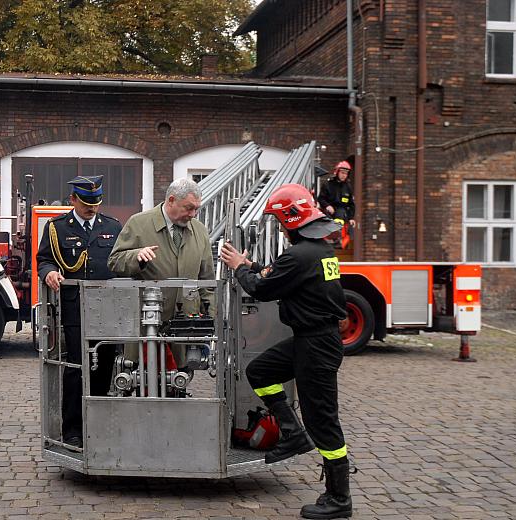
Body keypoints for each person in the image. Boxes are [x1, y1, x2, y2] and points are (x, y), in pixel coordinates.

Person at [220, 183, 352, 519]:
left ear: (292, 220)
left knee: (323, 422)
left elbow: (262, 289)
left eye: (280, 223)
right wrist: (253, 265)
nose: (280, 230)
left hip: (316, 345)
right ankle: (292, 433)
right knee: (260, 371)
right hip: (313, 340)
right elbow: (280, 275)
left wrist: (239, 267)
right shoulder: (318, 250)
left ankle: (339, 498)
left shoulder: (299, 255)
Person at [36, 175, 122, 448]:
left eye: (96, 202)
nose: (91, 208)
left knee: (104, 365)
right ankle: (73, 429)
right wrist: (49, 273)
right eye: (86, 203)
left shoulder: (113, 226)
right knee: (76, 366)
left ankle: (99, 424)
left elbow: (121, 261)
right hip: (75, 309)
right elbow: (44, 259)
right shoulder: (57, 228)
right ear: (73, 199)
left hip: (107, 308)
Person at [107, 178, 215, 366]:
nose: (193, 214)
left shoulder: (200, 231)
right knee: (142, 375)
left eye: (196, 208)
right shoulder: (139, 224)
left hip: (185, 328)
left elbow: (207, 282)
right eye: (189, 208)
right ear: (171, 200)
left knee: (181, 375)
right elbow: (114, 261)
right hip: (146, 324)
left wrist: (213, 318)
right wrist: (136, 256)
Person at [318, 161, 356, 240]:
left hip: (341, 214)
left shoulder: (348, 187)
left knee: (341, 212)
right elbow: (321, 198)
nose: (344, 175)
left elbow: (351, 204)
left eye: (346, 173)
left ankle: (337, 234)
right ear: (337, 172)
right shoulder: (328, 185)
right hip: (328, 212)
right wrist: (327, 206)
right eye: (342, 173)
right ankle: (333, 234)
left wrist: (351, 218)